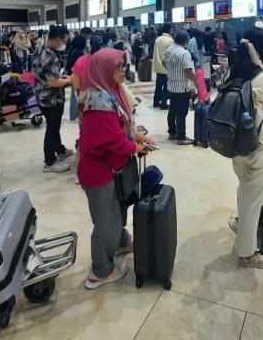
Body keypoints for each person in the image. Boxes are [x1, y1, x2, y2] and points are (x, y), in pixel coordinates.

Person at [77, 49, 155, 289]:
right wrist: (134, 147)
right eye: (119, 67)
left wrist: (138, 136)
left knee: (117, 210)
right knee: (105, 221)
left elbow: (122, 124)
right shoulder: (98, 102)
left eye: (124, 66)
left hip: (113, 168)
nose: (124, 71)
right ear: (103, 71)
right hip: (99, 172)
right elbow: (110, 141)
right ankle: (100, 271)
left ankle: (120, 242)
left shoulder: (111, 92)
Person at [224, 28, 263, 269]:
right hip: (259, 147)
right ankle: (248, 252)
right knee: (255, 199)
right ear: (262, 50)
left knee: (245, 189)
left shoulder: (235, 75)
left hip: (237, 147)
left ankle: (242, 223)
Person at [33, 25, 74, 173]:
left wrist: (63, 78)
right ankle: (50, 162)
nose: (64, 44)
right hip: (51, 99)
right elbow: (52, 82)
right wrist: (71, 81)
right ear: (57, 39)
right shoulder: (50, 56)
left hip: (41, 95)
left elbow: (47, 76)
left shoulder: (39, 49)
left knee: (54, 126)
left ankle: (60, 150)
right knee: (52, 128)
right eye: (64, 41)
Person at [163, 31, 198, 145]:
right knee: (181, 113)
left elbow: (164, 63)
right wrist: (196, 82)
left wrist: (172, 71)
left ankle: (172, 132)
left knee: (172, 111)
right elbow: (188, 72)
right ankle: (181, 137)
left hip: (171, 85)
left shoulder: (169, 50)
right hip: (182, 87)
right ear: (185, 41)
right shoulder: (184, 53)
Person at [152, 24, 174, 110]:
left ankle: (156, 102)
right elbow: (171, 54)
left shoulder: (158, 39)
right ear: (169, 30)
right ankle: (163, 103)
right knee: (166, 86)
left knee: (158, 85)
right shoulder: (170, 40)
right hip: (166, 66)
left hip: (158, 66)